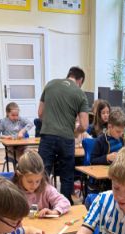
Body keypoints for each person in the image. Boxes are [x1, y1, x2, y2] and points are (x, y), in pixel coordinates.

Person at [38, 66, 89, 202]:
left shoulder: (50, 84)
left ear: (69, 75)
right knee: (67, 176)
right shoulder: (80, 93)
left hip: (47, 135)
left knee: (42, 173)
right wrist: (75, 132)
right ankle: (64, 204)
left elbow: (40, 113)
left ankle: (43, 203)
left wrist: (51, 123)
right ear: (80, 80)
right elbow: (84, 125)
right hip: (66, 138)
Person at [12, 150, 71, 217]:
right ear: (19, 175)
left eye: (37, 181)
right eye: (29, 181)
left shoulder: (46, 188)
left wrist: (54, 212)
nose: (34, 185)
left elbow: (64, 202)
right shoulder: (13, 192)